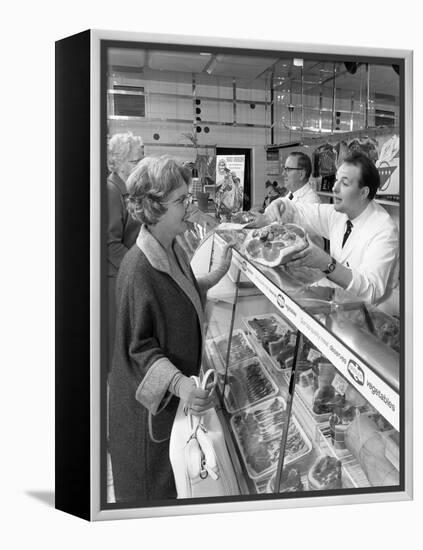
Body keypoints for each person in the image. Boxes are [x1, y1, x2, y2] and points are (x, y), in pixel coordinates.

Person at [108, 156, 233, 502]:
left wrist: (219, 272)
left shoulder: (171, 247)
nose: (188, 207)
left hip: (169, 405)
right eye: (181, 201)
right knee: (150, 494)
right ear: (153, 206)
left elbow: (183, 292)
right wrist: (180, 385)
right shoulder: (138, 268)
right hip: (146, 415)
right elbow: (140, 349)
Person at [264, 152, 399, 309]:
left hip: (370, 317)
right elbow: (301, 211)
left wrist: (327, 264)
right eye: (336, 180)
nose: (335, 188)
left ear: (363, 192)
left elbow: (371, 290)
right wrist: (280, 204)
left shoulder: (383, 230)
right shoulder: (339, 214)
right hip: (338, 305)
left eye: (345, 183)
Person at [107, 132, 144, 366]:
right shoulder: (110, 192)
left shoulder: (127, 190)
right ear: (118, 163)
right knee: (117, 343)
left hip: (125, 274)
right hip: (116, 278)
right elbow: (109, 245)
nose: (141, 165)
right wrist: (136, 268)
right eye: (135, 161)